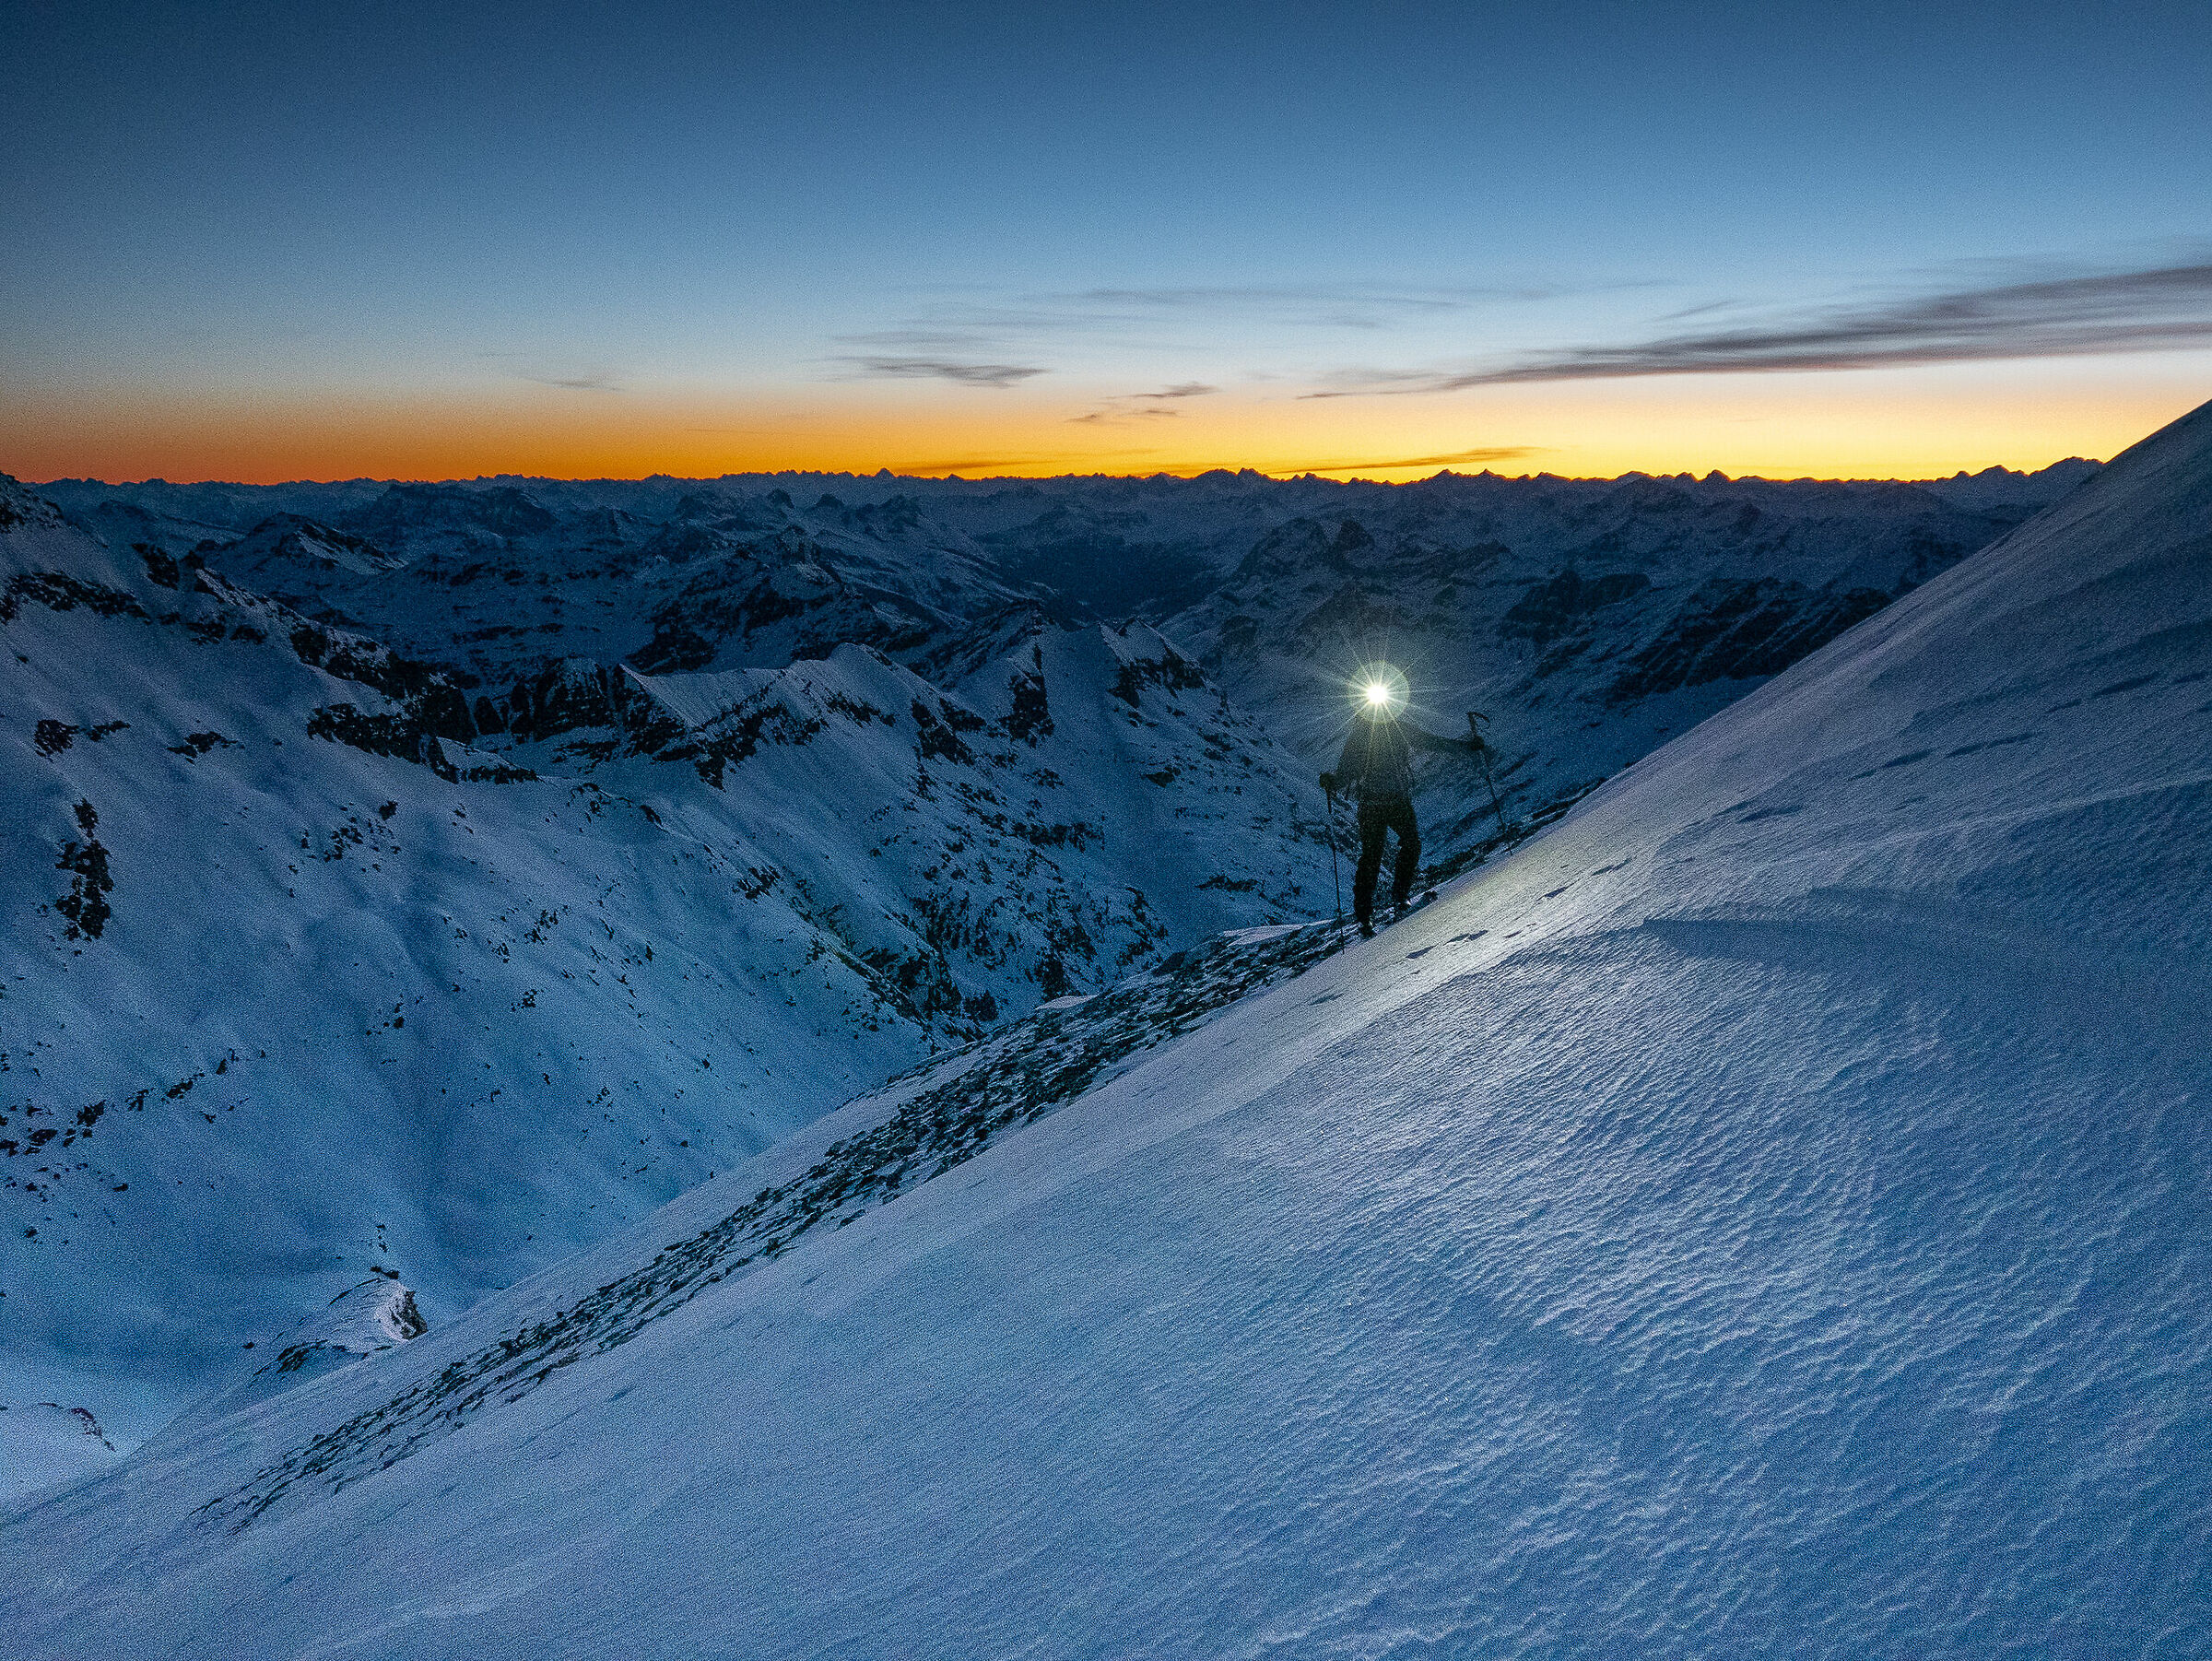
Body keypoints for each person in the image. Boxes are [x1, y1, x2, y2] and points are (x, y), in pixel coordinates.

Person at [1320, 708, 1420, 937]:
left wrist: (1331, 782)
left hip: (1372, 806)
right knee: (1409, 844)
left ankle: (1365, 916)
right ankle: (1399, 897)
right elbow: (1430, 741)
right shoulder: (1398, 729)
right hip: (1396, 802)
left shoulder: (1359, 737)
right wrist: (1467, 746)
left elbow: (1344, 774)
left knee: (1371, 857)